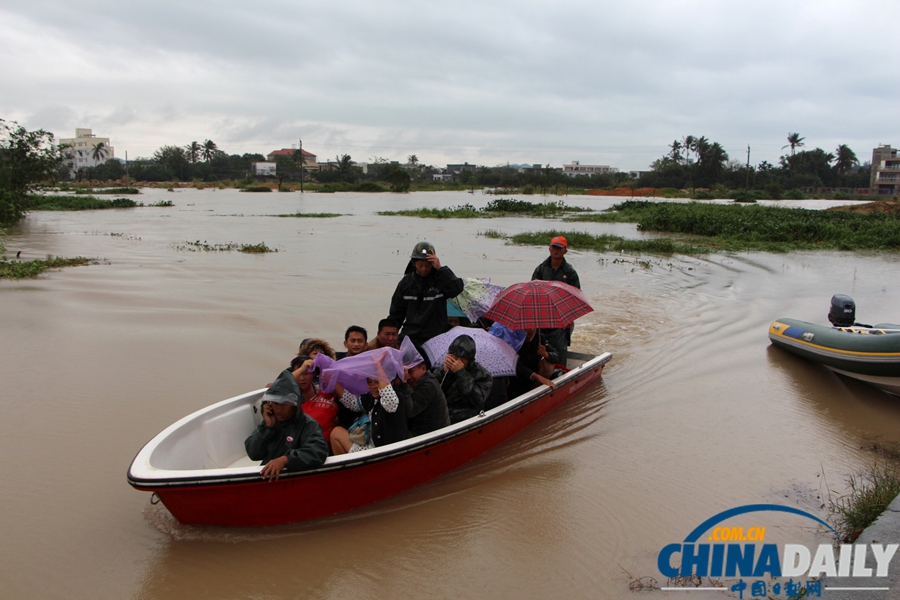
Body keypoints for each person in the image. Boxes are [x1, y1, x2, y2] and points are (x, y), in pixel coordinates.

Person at [244, 369, 328, 481]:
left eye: (284, 404)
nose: (279, 409)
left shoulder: (308, 424)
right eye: (276, 404)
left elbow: (318, 451)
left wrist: (286, 459)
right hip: (268, 477)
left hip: (294, 479)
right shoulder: (270, 423)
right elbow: (253, 453)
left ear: (294, 405)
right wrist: (267, 428)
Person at [388, 241, 464, 350]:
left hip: (435, 337)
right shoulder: (405, 283)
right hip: (410, 336)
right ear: (414, 264)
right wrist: (390, 335)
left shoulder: (441, 280)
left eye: (427, 265)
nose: (424, 269)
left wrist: (441, 269)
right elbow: (396, 313)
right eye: (420, 265)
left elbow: (456, 288)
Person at [331, 377, 409, 454]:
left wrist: (379, 366)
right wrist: (332, 379)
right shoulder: (372, 398)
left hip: (388, 454)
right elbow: (352, 402)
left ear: (390, 383)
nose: (373, 386)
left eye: (377, 382)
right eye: (369, 382)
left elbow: (388, 397)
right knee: (336, 433)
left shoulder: (394, 399)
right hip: (371, 449)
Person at [531, 235, 581, 353]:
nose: (556, 250)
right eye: (554, 247)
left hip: (561, 316)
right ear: (549, 249)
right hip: (542, 314)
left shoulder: (570, 272)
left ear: (565, 251)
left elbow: (576, 296)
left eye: (559, 248)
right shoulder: (541, 269)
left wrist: (570, 318)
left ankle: (561, 369)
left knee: (559, 348)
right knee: (538, 346)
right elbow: (532, 291)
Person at [431, 334, 493, 424]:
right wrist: (443, 373)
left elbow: (477, 400)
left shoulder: (483, 375)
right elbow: (432, 391)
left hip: (466, 418)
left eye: (462, 358)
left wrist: (462, 373)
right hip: (442, 414)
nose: (457, 361)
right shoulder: (444, 368)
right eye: (454, 357)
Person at [290, 355, 339, 447]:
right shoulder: (290, 395)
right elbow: (281, 384)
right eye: (299, 373)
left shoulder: (323, 389)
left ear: (313, 373)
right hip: (301, 443)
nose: (302, 378)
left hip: (327, 441)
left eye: (306, 373)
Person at [404, 350, 451, 437]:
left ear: (423, 368)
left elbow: (410, 411)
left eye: (410, 372)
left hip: (434, 438)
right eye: (404, 373)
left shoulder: (429, 386)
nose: (407, 377)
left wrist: (404, 386)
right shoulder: (420, 381)